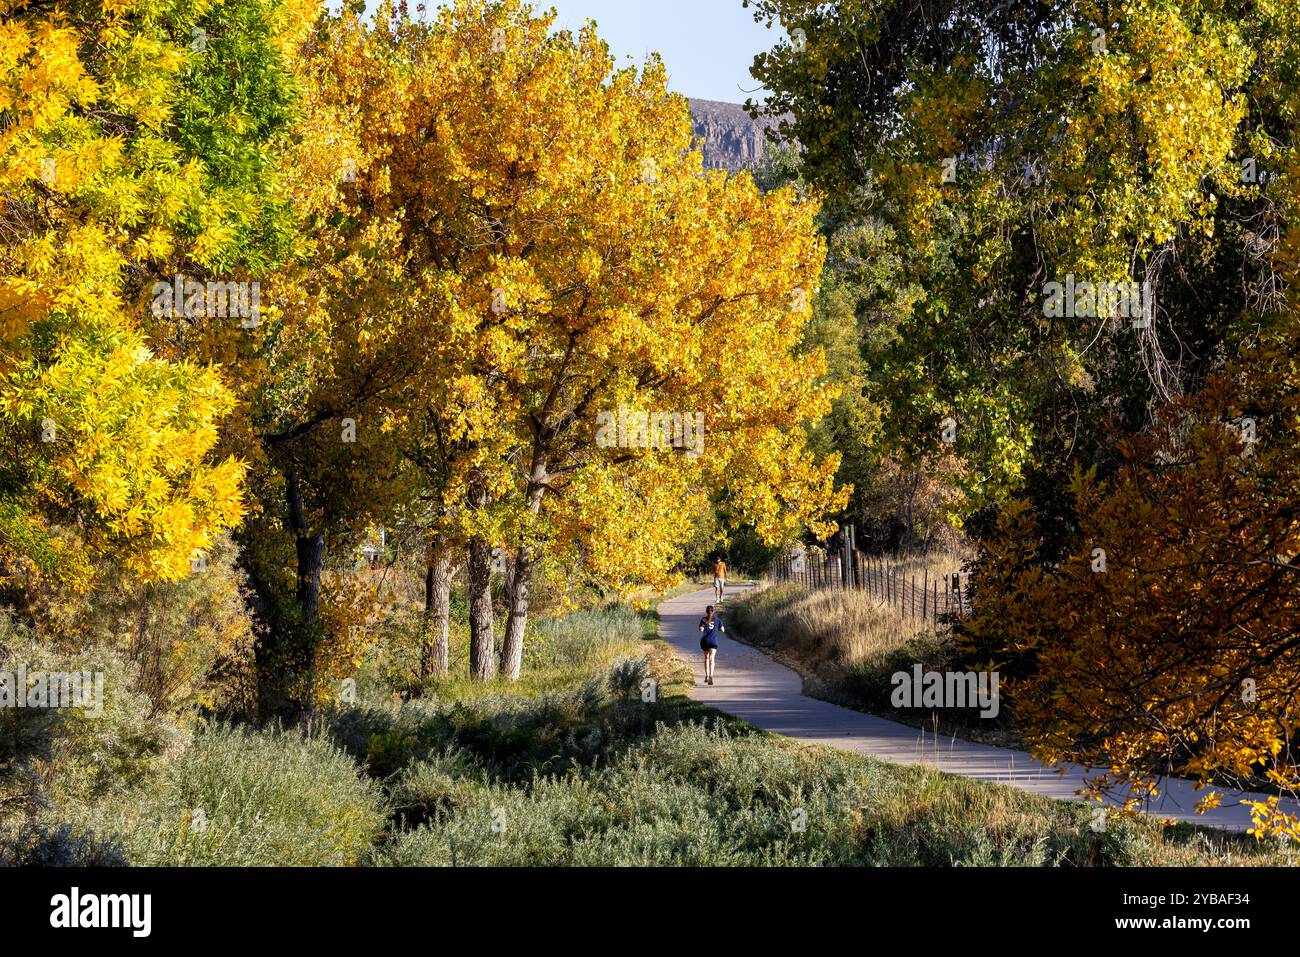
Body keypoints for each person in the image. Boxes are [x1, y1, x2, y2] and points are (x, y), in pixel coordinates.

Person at [698, 604, 724, 685]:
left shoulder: (703, 619)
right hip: (713, 642)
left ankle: (707, 676)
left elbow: (701, 630)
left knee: (706, 658)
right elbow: (723, 630)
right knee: (712, 659)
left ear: (706, 612)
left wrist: (704, 627)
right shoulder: (718, 620)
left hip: (705, 641)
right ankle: (711, 676)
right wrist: (716, 629)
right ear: (713, 611)